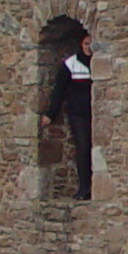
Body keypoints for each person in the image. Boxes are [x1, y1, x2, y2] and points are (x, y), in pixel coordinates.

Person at [41, 29, 93, 200]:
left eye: (91, 44)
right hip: (79, 113)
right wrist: (50, 113)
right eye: (86, 44)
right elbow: (59, 90)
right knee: (83, 149)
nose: (89, 47)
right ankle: (84, 188)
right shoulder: (71, 64)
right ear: (81, 45)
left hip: (97, 112)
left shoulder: (99, 62)